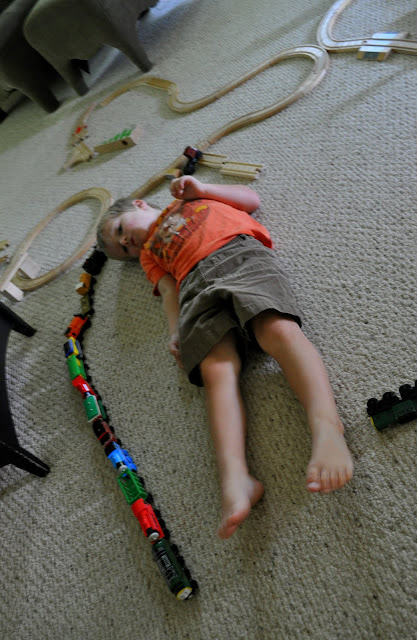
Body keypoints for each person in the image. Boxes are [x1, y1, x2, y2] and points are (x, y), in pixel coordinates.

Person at [97, 175, 354, 539]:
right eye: (123, 250)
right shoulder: (151, 256)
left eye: (121, 230)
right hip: (195, 290)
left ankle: (327, 428)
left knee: (276, 331)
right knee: (216, 370)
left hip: (238, 256)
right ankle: (236, 477)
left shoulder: (188, 201)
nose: (126, 243)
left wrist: (203, 189)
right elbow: (169, 292)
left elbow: (249, 198)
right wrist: (175, 330)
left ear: (139, 204)